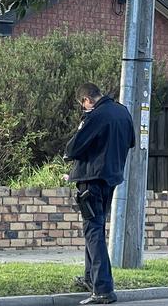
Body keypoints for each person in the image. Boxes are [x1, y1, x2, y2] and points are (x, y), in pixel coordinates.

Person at [64, 83, 135, 305]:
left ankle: (103, 289)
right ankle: (90, 279)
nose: (83, 108)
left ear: (87, 100)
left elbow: (73, 148)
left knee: (93, 231)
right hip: (111, 178)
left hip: (91, 180)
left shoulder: (95, 115)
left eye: (82, 104)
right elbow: (131, 141)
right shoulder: (122, 111)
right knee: (95, 227)